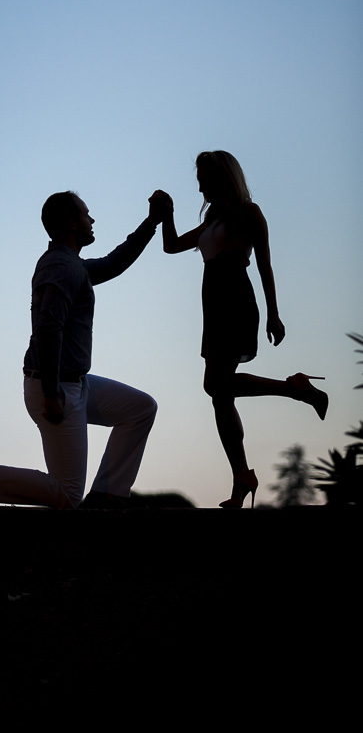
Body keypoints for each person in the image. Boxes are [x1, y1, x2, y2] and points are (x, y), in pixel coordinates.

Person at [0, 190, 163, 509]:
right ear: (70, 222)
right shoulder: (60, 267)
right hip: (55, 387)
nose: (91, 220)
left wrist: (151, 223)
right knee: (68, 493)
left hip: (74, 383)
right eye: (85, 214)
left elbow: (114, 263)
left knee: (140, 408)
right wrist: (51, 393)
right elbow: (48, 328)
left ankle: (108, 494)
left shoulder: (71, 266)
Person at [154, 150, 327, 508]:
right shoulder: (214, 218)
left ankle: (295, 390)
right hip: (214, 305)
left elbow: (265, 264)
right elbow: (171, 246)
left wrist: (274, 314)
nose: (198, 185)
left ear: (221, 178)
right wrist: (166, 215)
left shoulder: (250, 213)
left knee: (215, 385)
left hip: (235, 300)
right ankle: (241, 477)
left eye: (203, 178)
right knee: (220, 395)